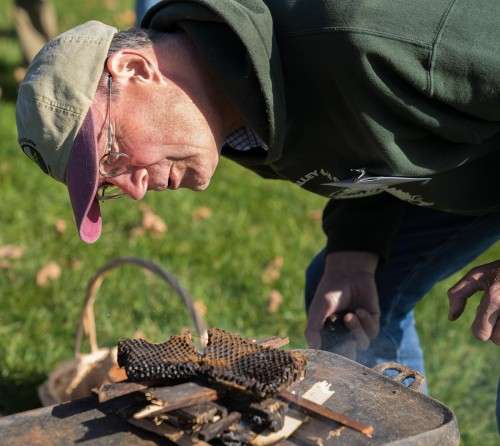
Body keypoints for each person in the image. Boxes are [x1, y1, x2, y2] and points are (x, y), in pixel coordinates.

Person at [15, 0, 499, 423]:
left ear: (136, 70)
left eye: (111, 156)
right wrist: (357, 245)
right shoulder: (230, 109)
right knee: (349, 289)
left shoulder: (361, 35)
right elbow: (368, 143)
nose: (134, 190)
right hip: (464, 162)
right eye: (110, 185)